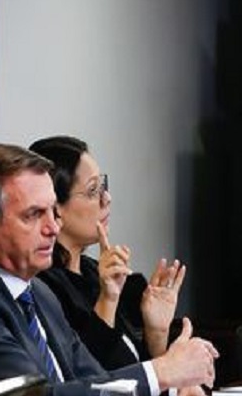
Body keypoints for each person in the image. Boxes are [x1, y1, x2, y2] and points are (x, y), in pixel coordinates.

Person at [0, 144, 215, 396]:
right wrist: (162, 372)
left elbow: (96, 383)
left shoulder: (39, 293)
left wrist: (175, 393)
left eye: (53, 212)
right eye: (34, 214)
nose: (53, 228)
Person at [30, 135, 184, 370]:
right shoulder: (43, 287)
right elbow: (85, 377)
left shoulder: (93, 271)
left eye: (103, 186)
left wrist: (157, 332)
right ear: (55, 207)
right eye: (93, 191)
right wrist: (108, 300)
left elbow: (144, 377)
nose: (107, 199)